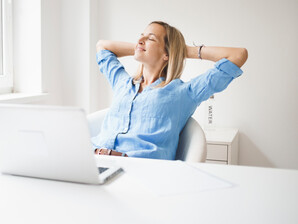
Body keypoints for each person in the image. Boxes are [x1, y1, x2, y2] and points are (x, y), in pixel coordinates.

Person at [92, 21, 248, 160]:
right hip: (93, 158)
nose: (140, 41)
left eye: (151, 38)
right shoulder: (123, 83)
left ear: (167, 53)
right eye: (141, 36)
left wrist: (182, 50)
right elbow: (102, 46)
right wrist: (139, 47)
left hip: (137, 170)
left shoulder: (183, 93)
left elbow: (238, 55)